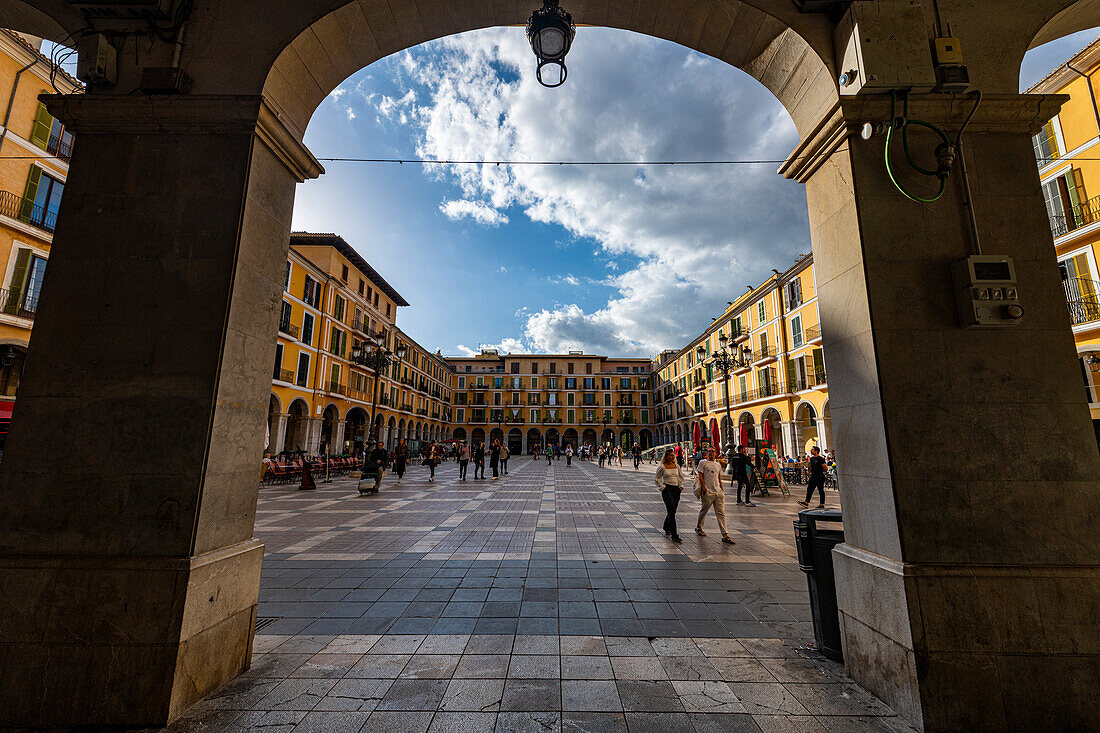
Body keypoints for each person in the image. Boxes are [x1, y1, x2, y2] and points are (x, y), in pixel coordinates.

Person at [695, 448, 734, 544]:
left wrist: (721, 489)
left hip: (718, 492)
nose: (711, 453)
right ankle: (699, 527)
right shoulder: (703, 463)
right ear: (707, 453)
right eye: (709, 451)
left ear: (716, 453)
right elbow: (700, 476)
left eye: (713, 451)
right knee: (704, 510)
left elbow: (718, 477)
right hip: (708, 491)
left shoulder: (717, 464)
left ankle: (725, 534)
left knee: (721, 513)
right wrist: (704, 488)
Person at [655, 449, 684, 543]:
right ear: (666, 456)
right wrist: (662, 487)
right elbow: (657, 478)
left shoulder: (676, 466)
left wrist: (681, 486)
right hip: (667, 490)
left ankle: (666, 526)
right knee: (671, 512)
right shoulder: (662, 467)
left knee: (673, 511)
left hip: (676, 490)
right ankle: (674, 535)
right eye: (670, 455)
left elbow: (681, 477)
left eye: (673, 455)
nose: (672, 457)